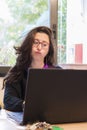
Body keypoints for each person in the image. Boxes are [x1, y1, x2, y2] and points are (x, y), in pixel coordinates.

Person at [3, 26, 61, 112]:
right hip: (26, 120)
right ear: (28, 45)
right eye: (36, 42)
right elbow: (8, 100)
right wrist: (26, 105)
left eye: (44, 44)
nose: (39, 47)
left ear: (49, 49)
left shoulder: (57, 72)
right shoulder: (16, 72)